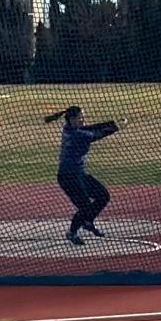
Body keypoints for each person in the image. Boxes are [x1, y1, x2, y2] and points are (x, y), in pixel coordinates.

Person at [45, 105, 121, 245]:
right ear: (72, 119)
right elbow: (96, 135)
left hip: (79, 174)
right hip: (68, 177)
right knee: (85, 207)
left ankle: (88, 221)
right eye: (80, 118)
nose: (82, 120)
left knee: (103, 196)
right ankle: (72, 232)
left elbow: (89, 128)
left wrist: (110, 123)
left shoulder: (68, 128)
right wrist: (115, 128)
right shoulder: (77, 135)